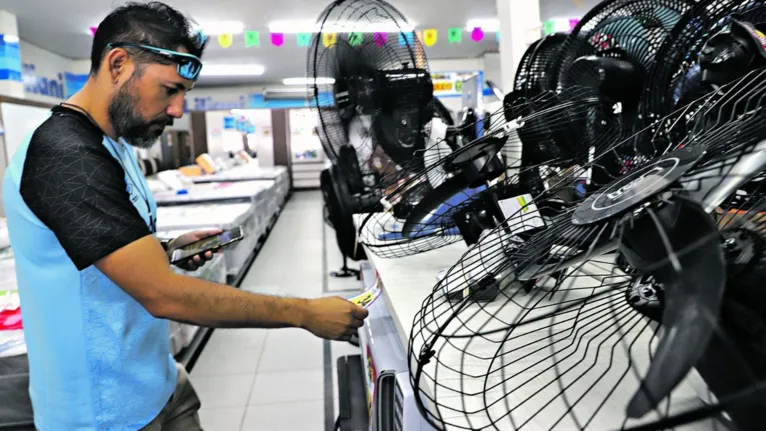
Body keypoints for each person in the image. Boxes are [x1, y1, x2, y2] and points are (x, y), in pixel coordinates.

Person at [2, 2, 368, 430]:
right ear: (118, 63)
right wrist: (303, 312)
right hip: (103, 412)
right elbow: (164, 295)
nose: (177, 110)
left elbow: (100, 247)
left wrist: (165, 249)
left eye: (183, 95)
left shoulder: (112, 146)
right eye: (168, 90)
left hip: (155, 381)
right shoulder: (64, 155)